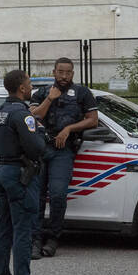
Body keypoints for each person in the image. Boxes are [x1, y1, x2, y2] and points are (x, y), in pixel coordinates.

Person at [0, 69, 48, 275]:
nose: (31, 88)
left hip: (0, 171)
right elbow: (37, 148)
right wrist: (41, 133)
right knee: (23, 229)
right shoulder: (23, 115)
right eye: (29, 84)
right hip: (20, 174)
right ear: (21, 88)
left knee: (3, 228)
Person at [29, 56, 98, 259]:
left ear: (73, 73)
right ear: (54, 72)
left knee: (58, 195)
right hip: (40, 150)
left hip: (63, 151)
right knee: (37, 197)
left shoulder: (82, 93)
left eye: (68, 72)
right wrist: (50, 98)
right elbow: (33, 117)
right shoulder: (41, 92)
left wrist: (69, 128)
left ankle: (53, 238)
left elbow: (93, 120)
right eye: (61, 72)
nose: (64, 76)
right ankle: (35, 239)